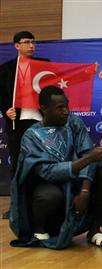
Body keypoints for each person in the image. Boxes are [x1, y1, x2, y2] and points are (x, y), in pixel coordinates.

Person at [9, 86, 102, 249]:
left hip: (76, 187)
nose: (66, 111)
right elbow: (49, 172)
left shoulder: (74, 122)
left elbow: (87, 153)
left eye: (67, 106)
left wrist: (84, 191)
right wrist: (89, 158)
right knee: (50, 195)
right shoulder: (31, 137)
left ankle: (94, 230)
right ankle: (41, 230)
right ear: (44, 109)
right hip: (50, 190)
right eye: (60, 108)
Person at [0, 31, 49, 219]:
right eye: (27, 42)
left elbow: (60, 82)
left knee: (42, 164)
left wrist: (87, 72)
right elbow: (1, 95)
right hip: (16, 123)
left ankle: (40, 205)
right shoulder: (6, 69)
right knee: (18, 166)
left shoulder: (43, 64)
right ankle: (16, 207)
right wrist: (5, 109)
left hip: (40, 122)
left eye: (33, 42)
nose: (31, 45)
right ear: (16, 46)